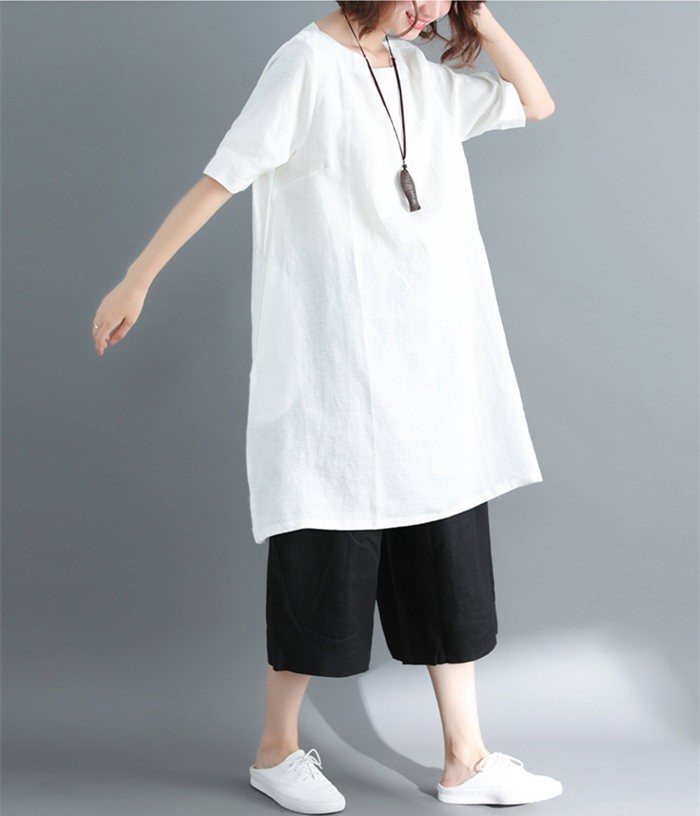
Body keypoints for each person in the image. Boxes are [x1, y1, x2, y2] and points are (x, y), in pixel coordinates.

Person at [91, 1, 561, 812]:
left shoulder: (420, 74)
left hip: (432, 363)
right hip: (338, 363)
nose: (427, 12)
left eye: (443, 1)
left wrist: (480, 20)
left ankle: (466, 758)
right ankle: (275, 751)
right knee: (325, 546)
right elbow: (225, 174)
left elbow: (535, 101)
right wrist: (138, 277)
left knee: (446, 548)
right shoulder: (304, 65)